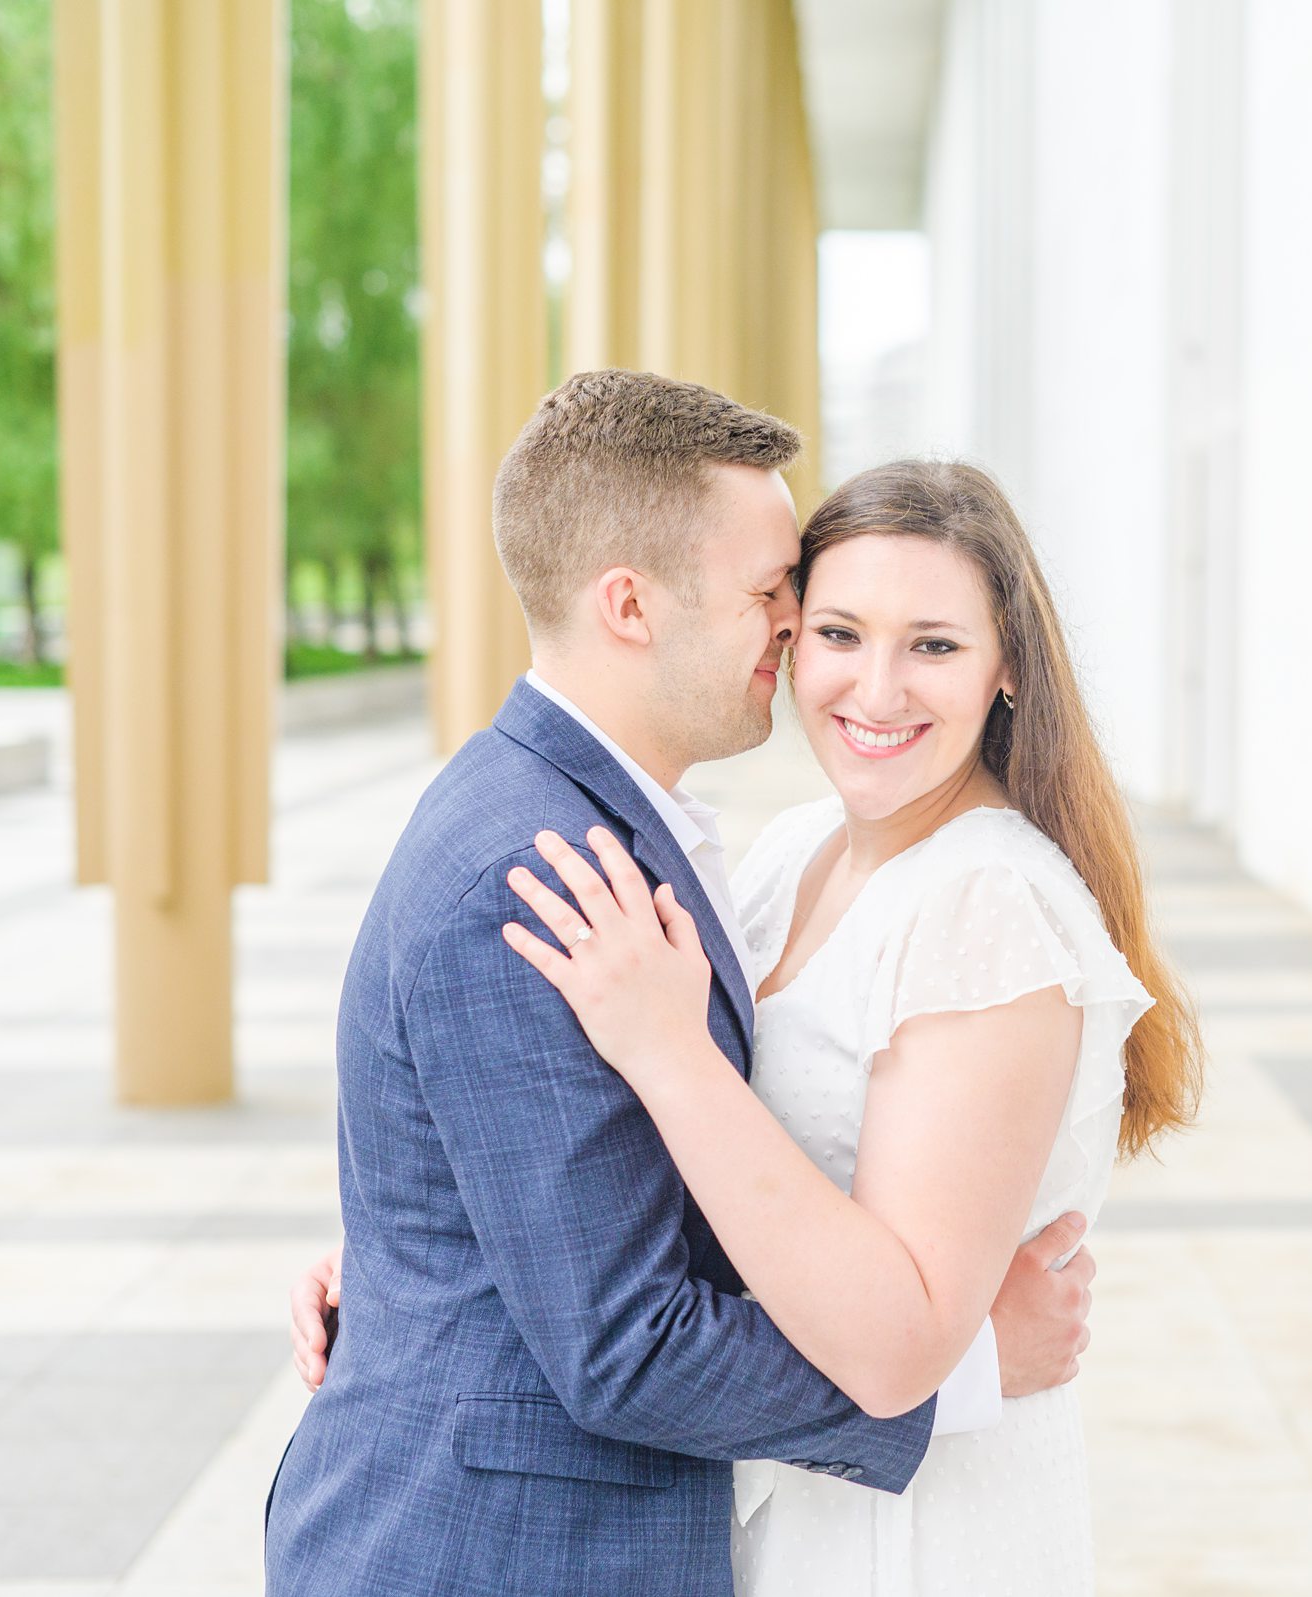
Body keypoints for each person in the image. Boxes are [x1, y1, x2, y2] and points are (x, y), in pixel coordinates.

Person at [265, 372, 1102, 1597]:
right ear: (630, 605)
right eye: (793, 604)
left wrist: (429, 1254)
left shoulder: (643, 835)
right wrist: (416, 1260)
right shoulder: (551, 862)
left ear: (1005, 667)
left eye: (931, 643)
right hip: (487, 1553)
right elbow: (624, 1344)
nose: (804, 640)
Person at [495, 457, 1204, 1593]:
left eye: (933, 644)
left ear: (1007, 664)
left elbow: (893, 1345)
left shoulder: (988, 901)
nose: (875, 691)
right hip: (796, 1501)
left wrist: (672, 1054)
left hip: (918, 1539)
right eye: (838, 634)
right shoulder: (793, 853)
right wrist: (446, 1256)